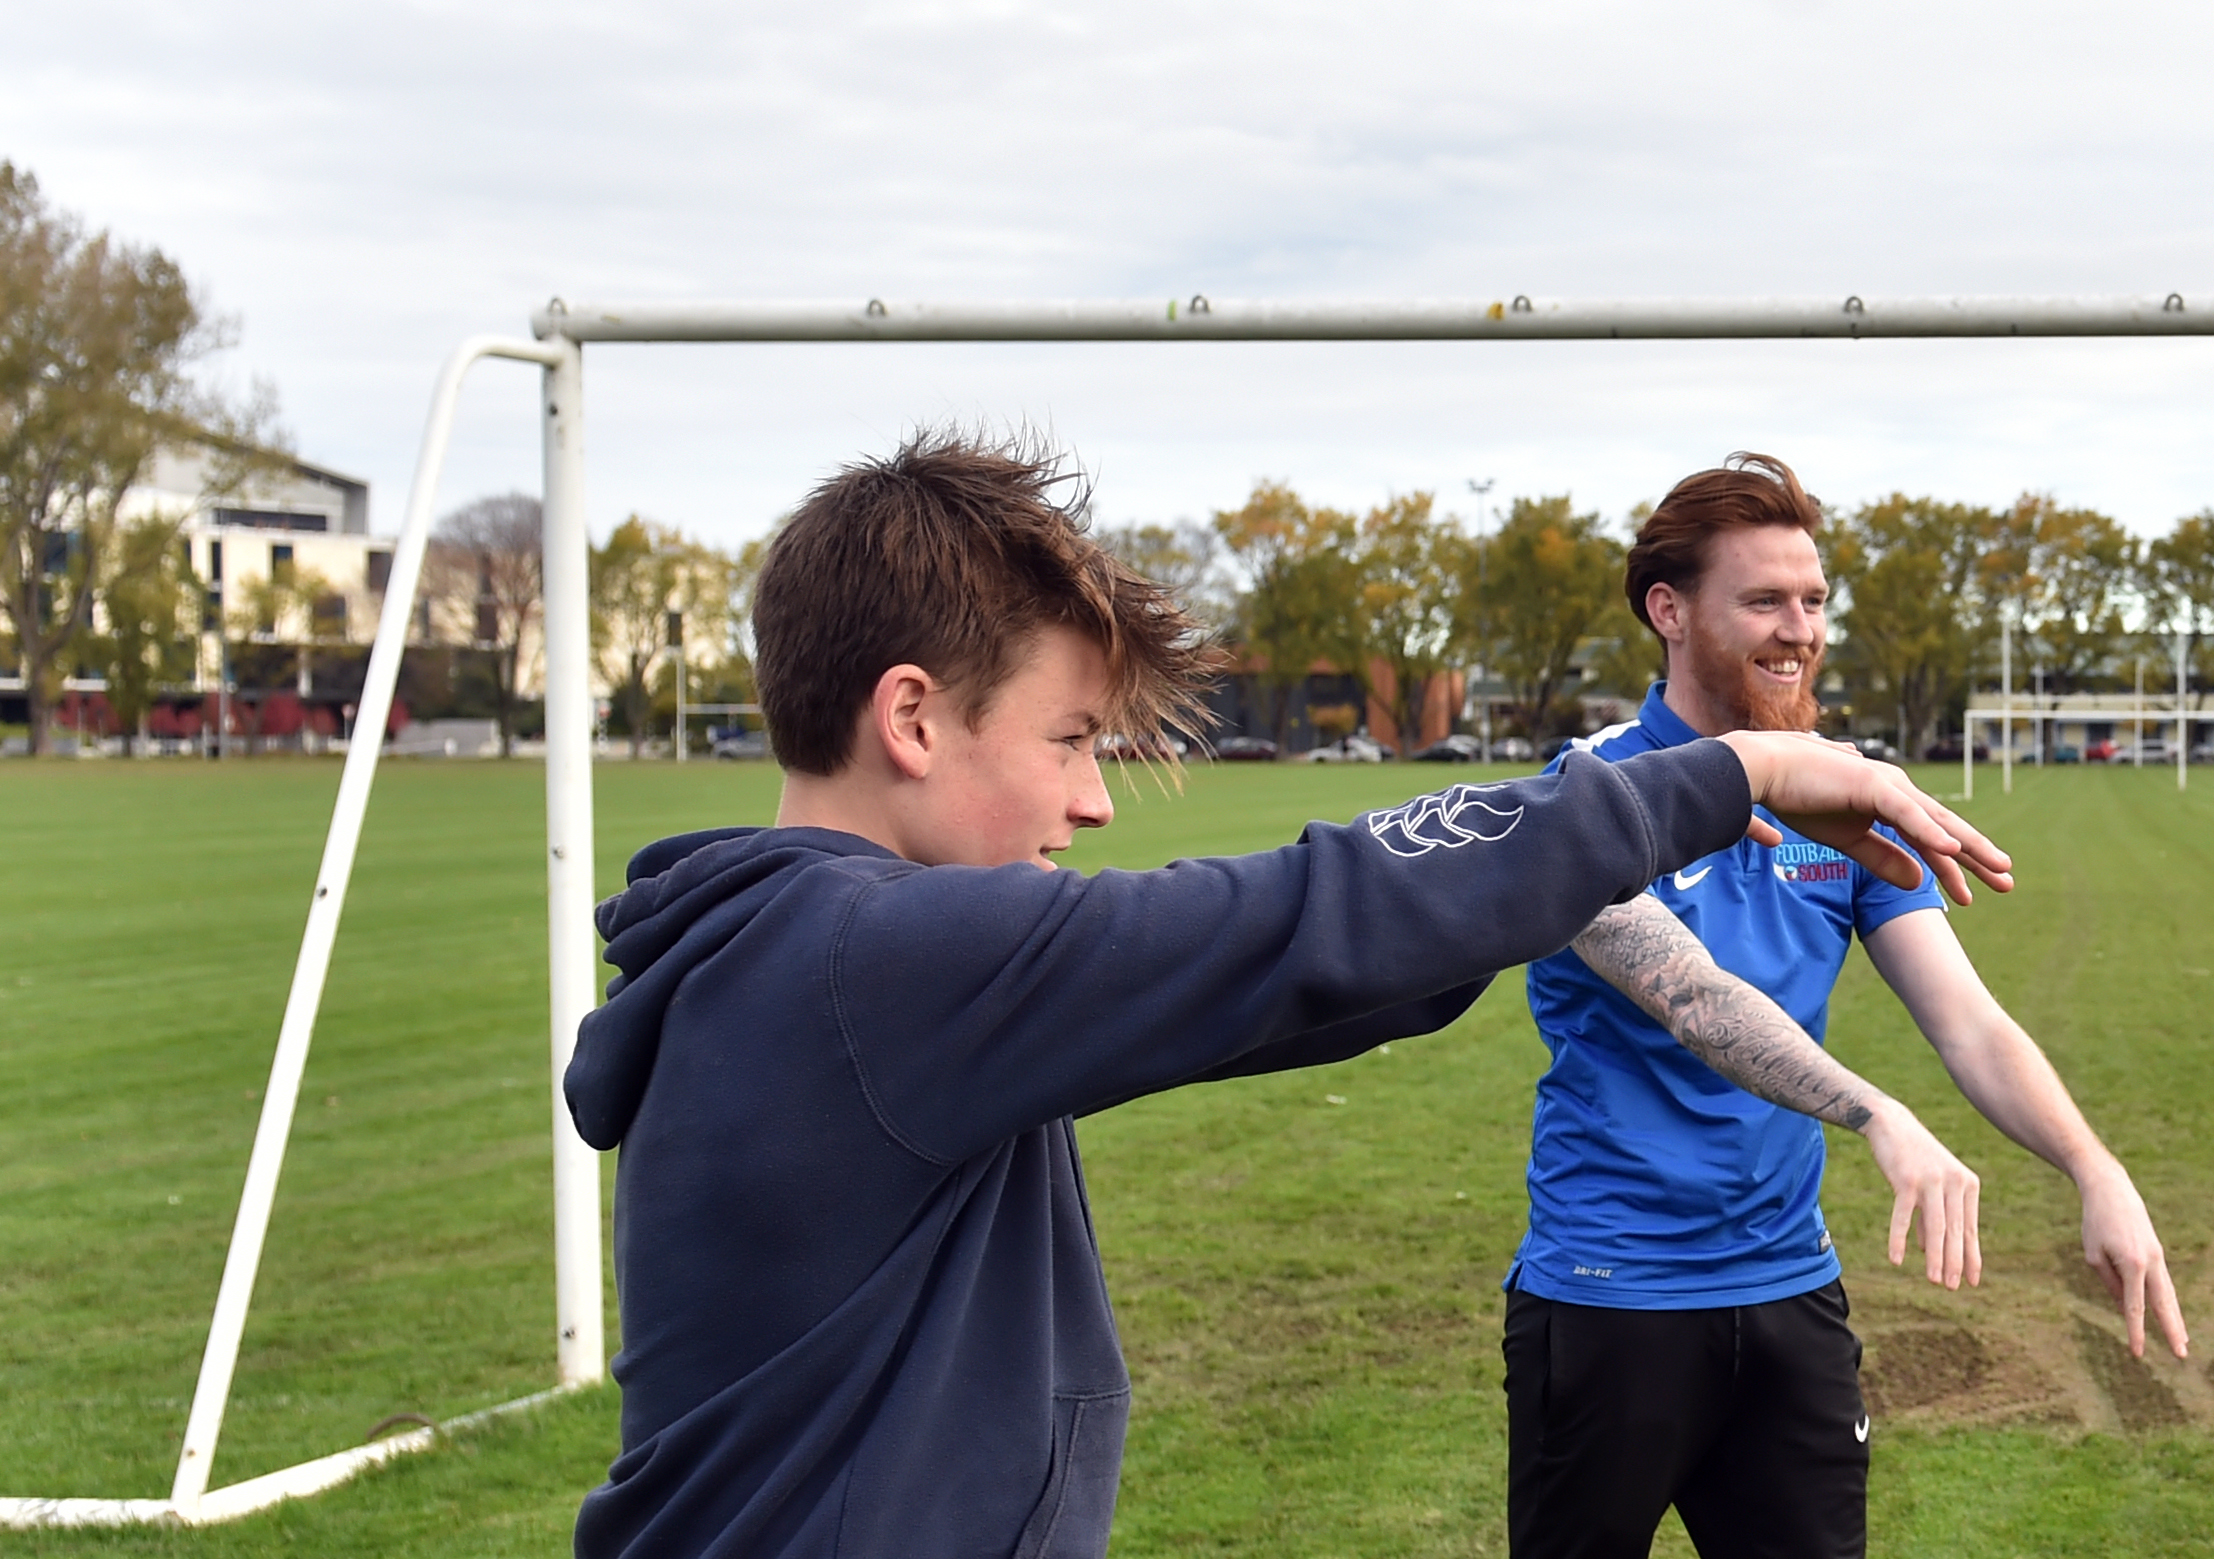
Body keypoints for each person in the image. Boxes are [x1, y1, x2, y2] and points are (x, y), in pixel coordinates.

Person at [559, 433, 2009, 1559]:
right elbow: (1303, 916)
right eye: (1070, 738)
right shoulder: (871, 964)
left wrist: (1501, 904)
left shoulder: (827, 961)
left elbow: (1296, 990)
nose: (1093, 798)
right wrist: (1739, 772)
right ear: (914, 716)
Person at [1505, 454, 2189, 1559]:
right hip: (1610, 1293)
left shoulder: (1846, 800)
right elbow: (1694, 998)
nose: (1798, 630)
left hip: (1790, 1297)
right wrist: (1877, 1111)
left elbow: (1967, 1021)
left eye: (1814, 601)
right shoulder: (1588, 795)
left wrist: (2095, 1167)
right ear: (1668, 611)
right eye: (1765, 600)